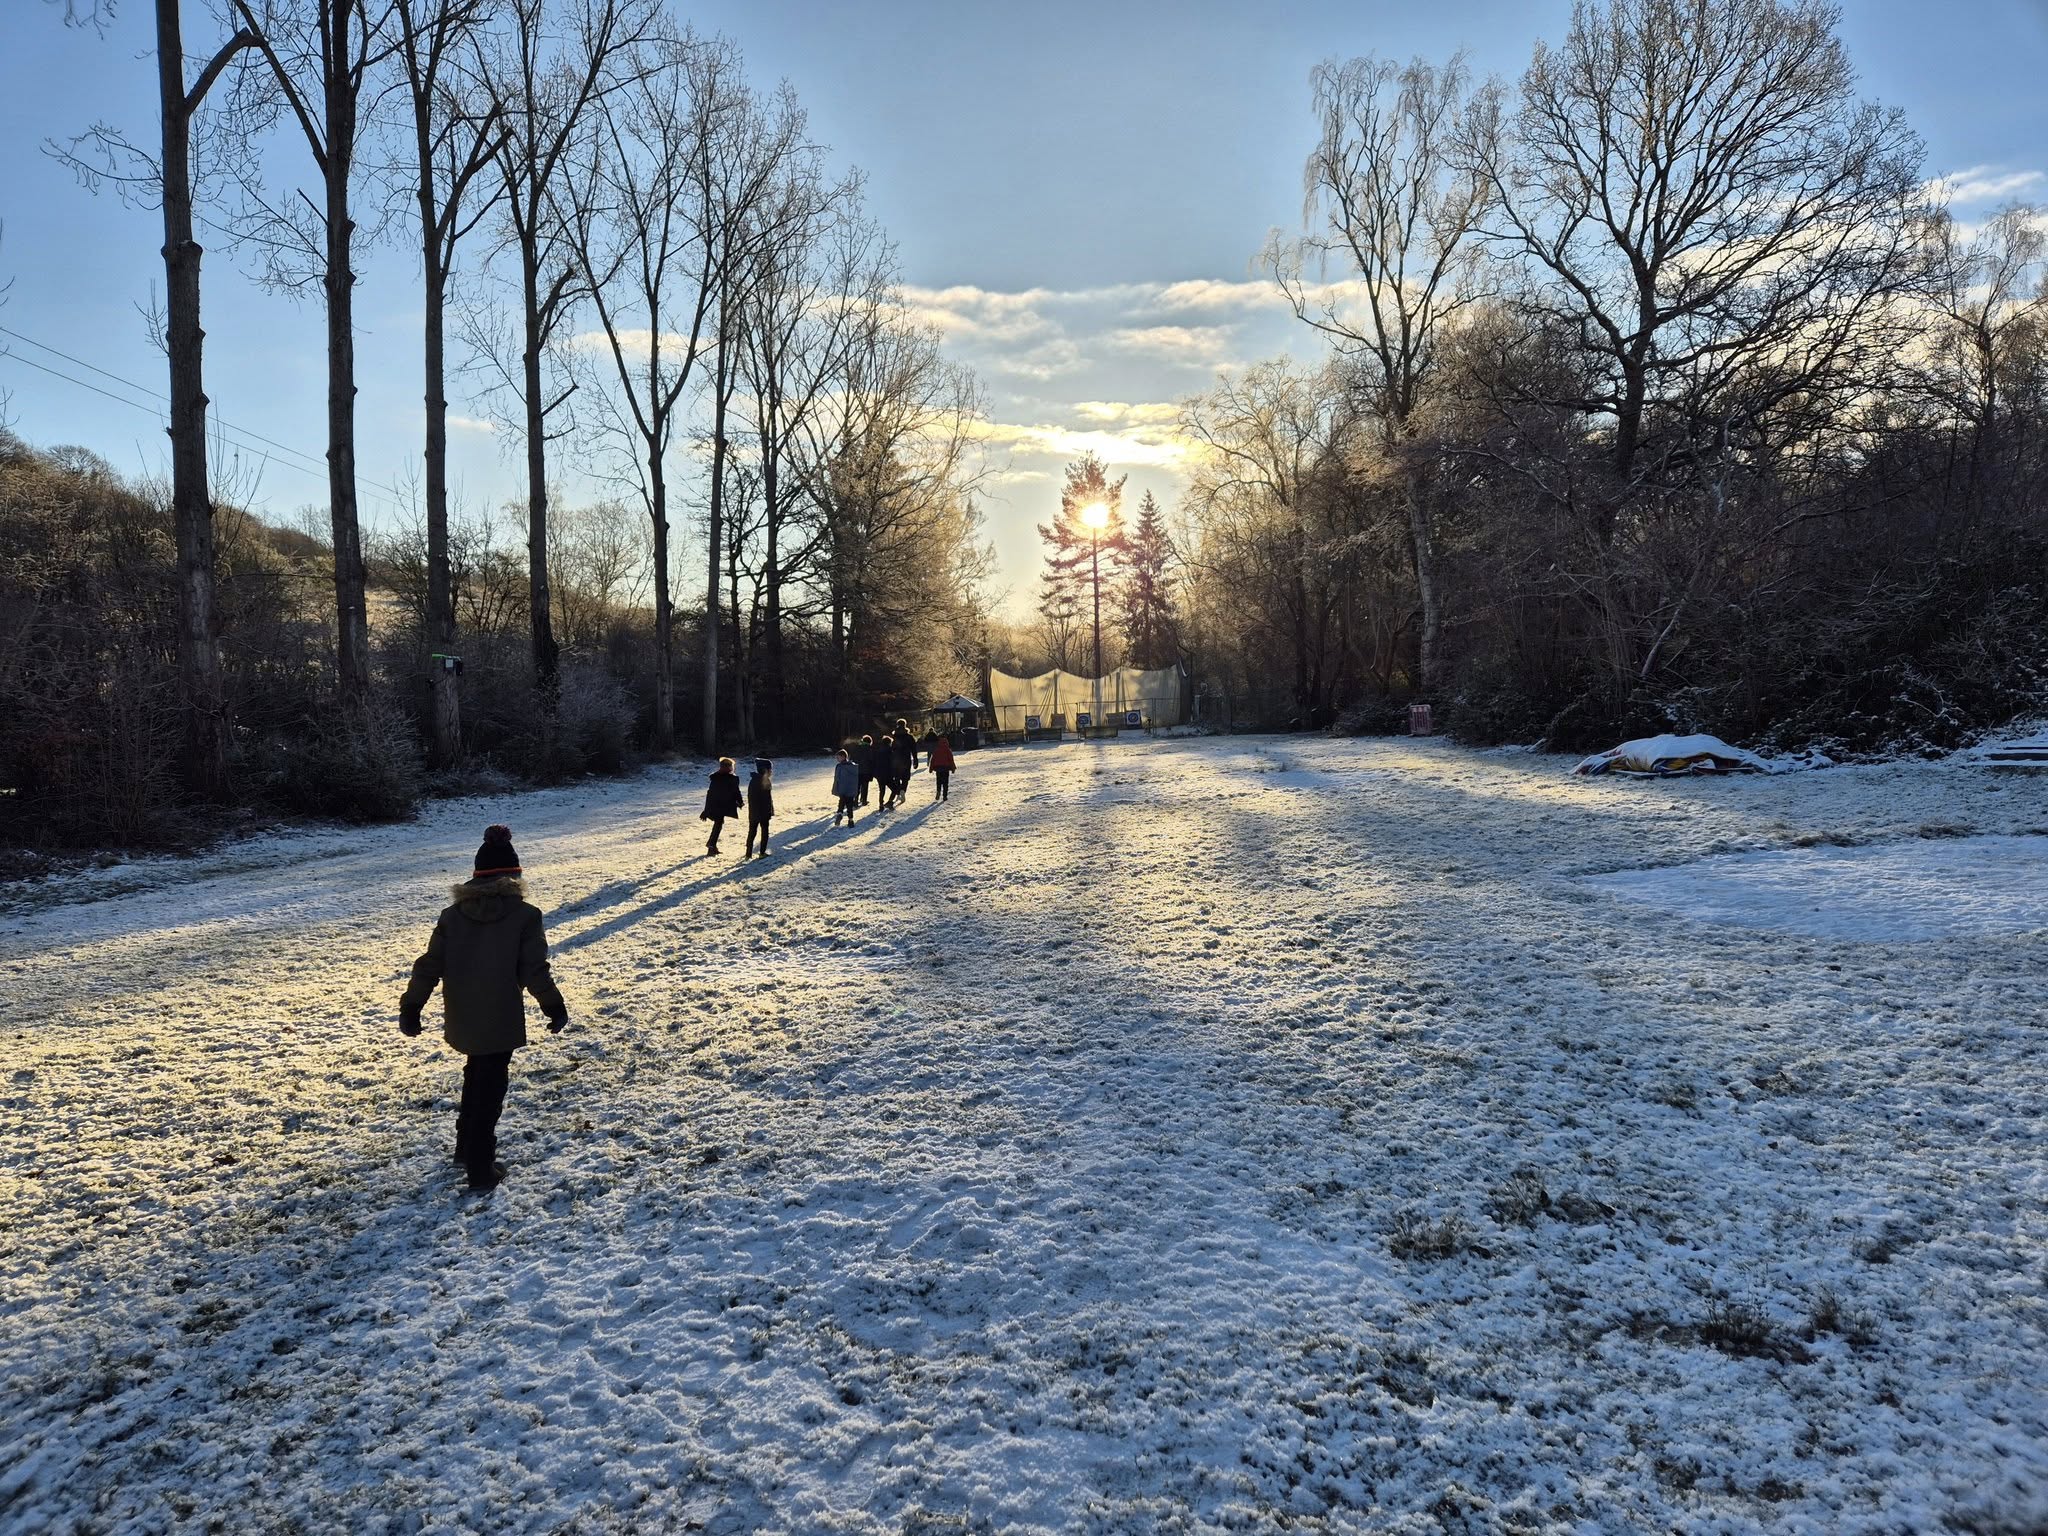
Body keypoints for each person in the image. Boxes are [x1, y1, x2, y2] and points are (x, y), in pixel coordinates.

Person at [399, 825, 568, 1192]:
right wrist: (553, 1005)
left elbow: (429, 964)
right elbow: (533, 969)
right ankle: (480, 1167)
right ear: (515, 875)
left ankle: (465, 1149)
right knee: (490, 1086)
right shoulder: (525, 915)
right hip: (500, 1012)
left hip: (462, 1013)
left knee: (475, 1074)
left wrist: (412, 1006)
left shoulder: (453, 915)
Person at [701, 756, 743, 856]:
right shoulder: (732, 779)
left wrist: (706, 810)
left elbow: (710, 794)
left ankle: (712, 846)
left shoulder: (715, 778)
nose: (733, 768)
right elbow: (736, 792)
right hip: (722, 806)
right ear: (729, 767)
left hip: (715, 805)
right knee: (718, 824)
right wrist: (740, 802)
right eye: (732, 766)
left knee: (718, 823)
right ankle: (711, 845)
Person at [745, 757, 775, 858]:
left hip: (753, 812)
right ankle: (762, 852)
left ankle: (748, 854)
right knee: (764, 831)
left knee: (752, 832)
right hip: (763, 812)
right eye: (770, 769)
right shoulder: (765, 781)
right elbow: (767, 799)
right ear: (765, 770)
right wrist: (769, 811)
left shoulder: (753, 780)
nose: (771, 772)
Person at [831, 748, 861, 826]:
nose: (837, 759)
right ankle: (850, 820)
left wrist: (836, 788)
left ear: (843, 757)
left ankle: (840, 813)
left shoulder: (840, 767)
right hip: (851, 790)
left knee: (841, 802)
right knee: (849, 805)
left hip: (842, 789)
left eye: (838, 757)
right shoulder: (853, 767)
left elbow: (837, 778)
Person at [928, 730, 956, 801]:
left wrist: (931, 768)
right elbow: (951, 760)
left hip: (938, 768)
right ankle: (945, 795)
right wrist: (953, 768)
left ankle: (938, 791)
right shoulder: (948, 750)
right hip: (946, 768)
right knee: (945, 782)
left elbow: (933, 759)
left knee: (939, 781)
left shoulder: (936, 749)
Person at [855, 734, 877, 807]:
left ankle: (855, 801)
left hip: (857, 770)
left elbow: (853, 758)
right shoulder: (871, 749)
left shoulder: (858, 748)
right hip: (867, 770)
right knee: (865, 786)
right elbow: (872, 760)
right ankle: (864, 800)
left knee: (857, 786)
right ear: (870, 742)